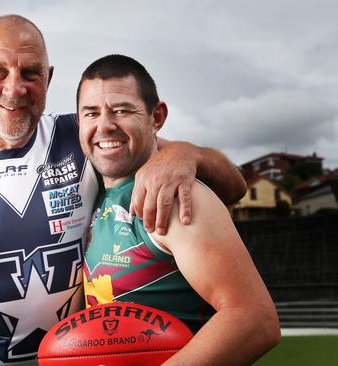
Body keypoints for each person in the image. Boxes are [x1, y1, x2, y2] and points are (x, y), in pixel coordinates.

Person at [0, 15, 247, 366]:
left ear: (48, 78)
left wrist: (186, 154)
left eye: (30, 72)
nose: (14, 89)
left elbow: (233, 187)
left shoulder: (81, 138)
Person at [78, 54, 280, 365]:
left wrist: (188, 153)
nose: (105, 125)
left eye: (122, 110)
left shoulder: (176, 195)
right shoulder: (90, 188)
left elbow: (255, 321)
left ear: (155, 118)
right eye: (91, 113)